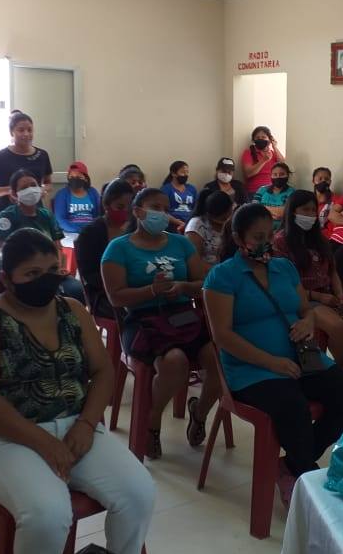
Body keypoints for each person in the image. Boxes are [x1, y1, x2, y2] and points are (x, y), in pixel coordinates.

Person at [0, 229, 155, 554]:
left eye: (52, 269)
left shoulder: (72, 310)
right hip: (5, 438)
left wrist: (86, 424)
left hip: (76, 427)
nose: (45, 280)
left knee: (138, 493)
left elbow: (103, 371)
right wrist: (44, 442)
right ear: (6, 277)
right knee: (48, 515)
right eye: (32, 274)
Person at [204, 203, 343, 506]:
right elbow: (222, 336)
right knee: (293, 408)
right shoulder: (222, 277)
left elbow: (304, 308)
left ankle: (292, 465)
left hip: (301, 357)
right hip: (252, 369)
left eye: (270, 235)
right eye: (258, 237)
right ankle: (307, 478)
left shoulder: (284, 268)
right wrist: (272, 362)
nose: (266, 243)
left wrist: (308, 321)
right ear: (238, 238)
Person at [101, 188, 221, 459]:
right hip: (142, 319)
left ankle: (199, 412)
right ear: (138, 211)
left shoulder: (181, 244)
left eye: (165, 209)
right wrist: (151, 291)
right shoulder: (118, 248)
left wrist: (183, 287)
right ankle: (152, 420)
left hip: (184, 315)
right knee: (174, 361)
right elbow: (115, 297)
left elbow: (204, 282)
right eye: (155, 208)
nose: (162, 214)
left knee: (219, 358)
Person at [274, 191, 343, 374]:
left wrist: (340, 294)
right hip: (304, 300)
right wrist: (319, 297)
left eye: (313, 210)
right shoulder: (281, 242)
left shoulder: (320, 239)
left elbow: (332, 271)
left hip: (329, 296)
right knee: (339, 328)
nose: (311, 214)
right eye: (305, 210)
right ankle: (338, 371)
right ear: (292, 211)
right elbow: (284, 284)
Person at [0, 170, 85, 303]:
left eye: (33, 185)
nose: (30, 190)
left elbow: (58, 247)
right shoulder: (7, 217)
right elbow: (6, 252)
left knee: (76, 290)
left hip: (49, 270)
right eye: (24, 188)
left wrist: (58, 269)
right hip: (22, 273)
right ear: (14, 194)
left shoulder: (46, 215)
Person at [76, 179, 133, 315]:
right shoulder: (91, 232)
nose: (125, 211)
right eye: (120, 207)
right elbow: (89, 273)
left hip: (135, 286)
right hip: (103, 293)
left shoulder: (134, 228)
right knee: (134, 311)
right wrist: (120, 284)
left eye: (130, 207)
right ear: (106, 205)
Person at [0, 111, 53, 217]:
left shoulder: (42, 155)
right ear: (12, 132)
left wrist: (41, 190)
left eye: (30, 130)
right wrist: (12, 190)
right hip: (6, 213)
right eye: (21, 130)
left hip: (35, 213)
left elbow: (49, 184)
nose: (26, 134)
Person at [185, 189, 233, 275]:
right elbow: (194, 263)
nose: (225, 222)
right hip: (203, 274)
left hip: (220, 270)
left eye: (228, 217)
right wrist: (221, 272)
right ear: (209, 214)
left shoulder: (229, 222)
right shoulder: (196, 226)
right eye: (222, 219)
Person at [53, 161, 101, 235]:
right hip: (70, 232)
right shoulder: (62, 194)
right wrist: (79, 230)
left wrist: (92, 229)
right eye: (71, 177)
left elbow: (98, 215)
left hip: (91, 231)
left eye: (79, 177)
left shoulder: (93, 192)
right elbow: (60, 220)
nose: (75, 180)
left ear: (86, 178)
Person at [241, 126, 285, 195]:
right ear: (254, 140)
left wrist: (274, 147)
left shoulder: (273, 153)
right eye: (257, 138)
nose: (260, 139)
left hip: (273, 190)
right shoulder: (248, 152)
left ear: (269, 140)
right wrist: (263, 160)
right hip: (255, 191)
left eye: (263, 137)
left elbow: (283, 165)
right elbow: (248, 174)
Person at [253, 162, 295, 230]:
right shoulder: (262, 190)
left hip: (282, 229)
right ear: (271, 176)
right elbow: (254, 208)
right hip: (261, 227)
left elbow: (283, 213)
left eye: (282, 174)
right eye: (275, 174)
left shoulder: (292, 192)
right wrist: (276, 211)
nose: (278, 177)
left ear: (287, 175)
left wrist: (262, 208)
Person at [160, 160, 197, 229]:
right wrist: (179, 223)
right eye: (182, 172)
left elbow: (196, 209)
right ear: (173, 174)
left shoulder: (192, 189)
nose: (185, 175)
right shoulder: (166, 189)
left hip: (190, 224)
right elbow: (162, 212)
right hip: (173, 224)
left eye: (187, 172)